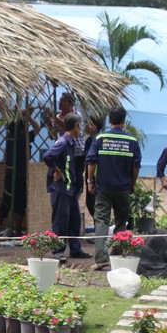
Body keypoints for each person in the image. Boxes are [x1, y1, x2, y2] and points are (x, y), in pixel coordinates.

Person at [86, 106, 142, 267]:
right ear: (124, 121)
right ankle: (116, 255)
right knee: (121, 222)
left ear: (109, 120)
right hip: (123, 188)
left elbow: (91, 161)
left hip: (103, 188)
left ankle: (101, 258)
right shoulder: (132, 140)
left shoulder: (100, 138)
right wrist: (132, 183)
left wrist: (90, 181)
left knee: (101, 221)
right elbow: (136, 166)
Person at [42, 113, 92, 260]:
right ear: (76, 126)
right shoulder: (63, 142)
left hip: (69, 189)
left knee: (75, 219)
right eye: (80, 125)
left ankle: (75, 250)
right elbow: (47, 156)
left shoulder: (71, 142)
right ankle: (58, 252)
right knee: (60, 221)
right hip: (60, 189)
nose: (81, 128)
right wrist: (57, 170)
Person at [0, 107, 41, 235]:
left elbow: (12, 120)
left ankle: (0, 223)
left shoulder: (11, 137)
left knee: (7, 198)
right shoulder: (24, 138)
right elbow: (37, 128)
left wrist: (23, 114)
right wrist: (29, 117)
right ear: (22, 130)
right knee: (20, 202)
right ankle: (17, 228)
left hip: (10, 173)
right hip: (21, 173)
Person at [46, 92, 86, 195]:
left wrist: (54, 118)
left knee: (77, 178)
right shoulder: (58, 116)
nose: (60, 102)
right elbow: (51, 136)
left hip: (78, 152)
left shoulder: (76, 115)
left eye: (63, 101)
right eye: (60, 100)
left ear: (71, 103)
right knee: (68, 177)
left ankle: (75, 197)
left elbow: (68, 126)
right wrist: (50, 123)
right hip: (66, 153)